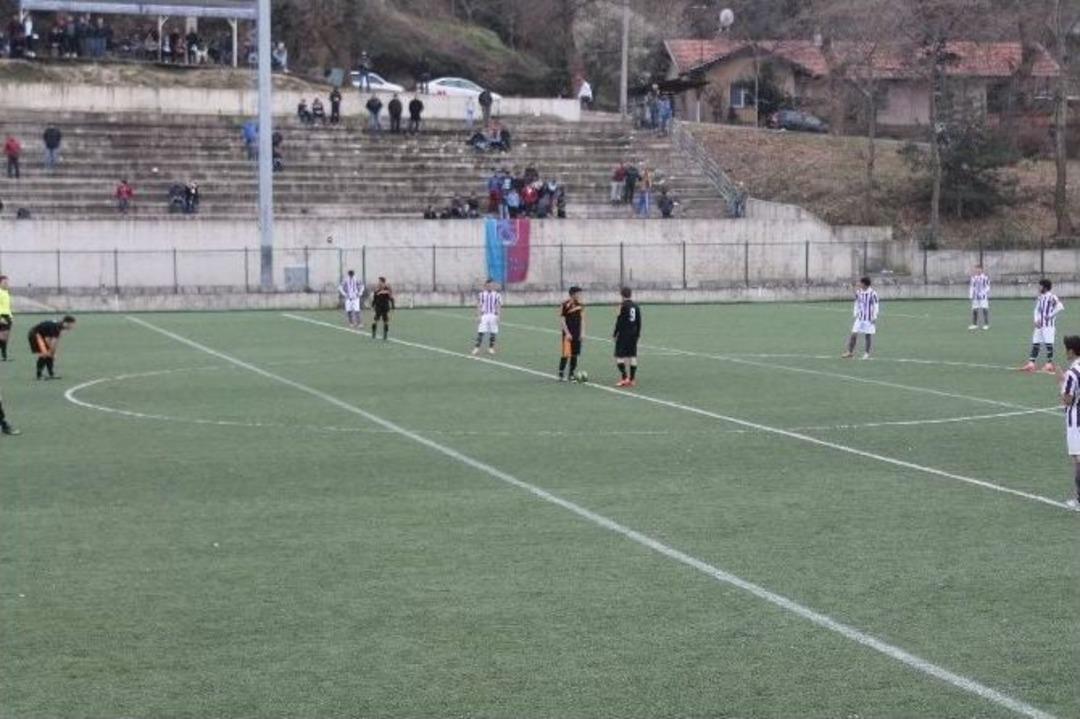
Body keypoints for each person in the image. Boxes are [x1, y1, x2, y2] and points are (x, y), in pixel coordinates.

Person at [1022, 279, 1065, 373]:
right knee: (1035, 343)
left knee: (1049, 344)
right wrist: (1036, 320)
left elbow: (1060, 306)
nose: (1038, 287)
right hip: (1039, 325)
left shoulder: (1052, 297)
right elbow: (1036, 310)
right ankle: (1031, 363)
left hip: (1048, 326)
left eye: (1040, 286)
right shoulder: (1040, 297)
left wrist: (1050, 316)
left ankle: (1049, 364)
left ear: (1045, 287)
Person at [1059, 335, 1080, 510]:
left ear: (1071, 351)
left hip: (1076, 421)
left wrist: (1061, 381)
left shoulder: (1072, 373)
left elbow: (1067, 399)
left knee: (1078, 459)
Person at [842, 276, 879, 360]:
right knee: (853, 334)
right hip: (860, 318)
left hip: (869, 318)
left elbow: (876, 305)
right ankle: (850, 352)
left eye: (861, 283)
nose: (859, 284)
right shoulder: (859, 292)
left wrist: (874, 317)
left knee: (868, 336)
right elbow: (857, 301)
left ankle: (867, 353)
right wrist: (855, 313)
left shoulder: (873, 293)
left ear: (865, 284)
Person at [28, 315, 75, 380]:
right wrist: (52, 352)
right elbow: (51, 341)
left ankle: (51, 374)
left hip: (40, 335)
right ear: (66, 323)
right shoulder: (57, 327)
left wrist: (52, 352)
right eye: (72, 324)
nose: (72, 326)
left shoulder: (60, 326)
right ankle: (39, 375)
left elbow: (51, 339)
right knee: (45, 354)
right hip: (35, 334)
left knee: (49, 354)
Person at [613, 287, 642, 387]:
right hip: (633, 334)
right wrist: (638, 334)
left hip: (624, 334)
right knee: (632, 356)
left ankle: (625, 378)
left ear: (622, 295)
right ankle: (632, 379)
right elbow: (639, 322)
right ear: (630, 294)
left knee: (619, 356)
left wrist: (615, 333)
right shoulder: (636, 306)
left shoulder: (622, 306)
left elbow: (619, 321)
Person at [558, 286, 585, 382]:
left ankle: (571, 373)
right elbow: (562, 320)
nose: (580, 295)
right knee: (566, 354)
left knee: (575, 354)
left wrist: (582, 332)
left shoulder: (580, 304)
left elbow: (582, 319)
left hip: (577, 333)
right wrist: (567, 333)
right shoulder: (565, 304)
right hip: (568, 334)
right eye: (579, 293)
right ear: (573, 294)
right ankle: (561, 373)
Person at [472, 279, 502, 355]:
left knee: (493, 332)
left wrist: (498, 316)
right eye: (488, 285)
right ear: (485, 286)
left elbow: (498, 306)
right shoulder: (481, 294)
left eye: (491, 285)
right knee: (481, 331)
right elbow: (479, 305)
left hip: (493, 314)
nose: (490, 287)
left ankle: (491, 348)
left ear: (493, 286)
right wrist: (478, 315)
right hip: (484, 315)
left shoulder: (497, 295)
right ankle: (477, 348)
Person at [969, 264, 990, 331]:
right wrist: (971, 294)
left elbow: (988, 286)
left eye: (979, 269)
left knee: (984, 309)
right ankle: (974, 324)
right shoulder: (973, 278)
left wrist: (983, 293)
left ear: (982, 270)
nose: (978, 270)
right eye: (976, 269)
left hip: (983, 296)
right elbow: (972, 286)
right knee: (975, 309)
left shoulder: (985, 277)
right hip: (975, 296)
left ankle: (986, 324)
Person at [0, 274, 11, 361]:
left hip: (7, 317)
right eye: (4, 282)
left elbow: (7, 306)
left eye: (7, 282)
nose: (6, 284)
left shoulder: (6, 292)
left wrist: (10, 316)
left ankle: (4, 356)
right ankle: (4, 355)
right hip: (1, 316)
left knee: (5, 338)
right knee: (2, 337)